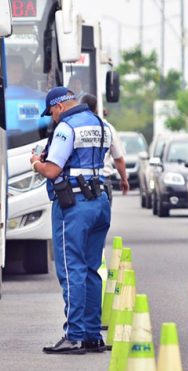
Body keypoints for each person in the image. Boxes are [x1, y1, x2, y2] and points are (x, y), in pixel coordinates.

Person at [31, 87, 112, 355]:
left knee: (71, 268)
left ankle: (74, 335)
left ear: (60, 106)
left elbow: (53, 170)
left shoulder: (67, 127)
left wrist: (35, 163)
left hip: (74, 206)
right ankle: (91, 335)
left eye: (52, 112)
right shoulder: (101, 124)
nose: (52, 118)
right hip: (100, 202)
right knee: (91, 268)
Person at [80, 94, 129, 200]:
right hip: (102, 180)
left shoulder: (75, 127)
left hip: (79, 182)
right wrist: (124, 179)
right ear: (97, 108)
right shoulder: (108, 128)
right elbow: (118, 158)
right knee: (101, 214)